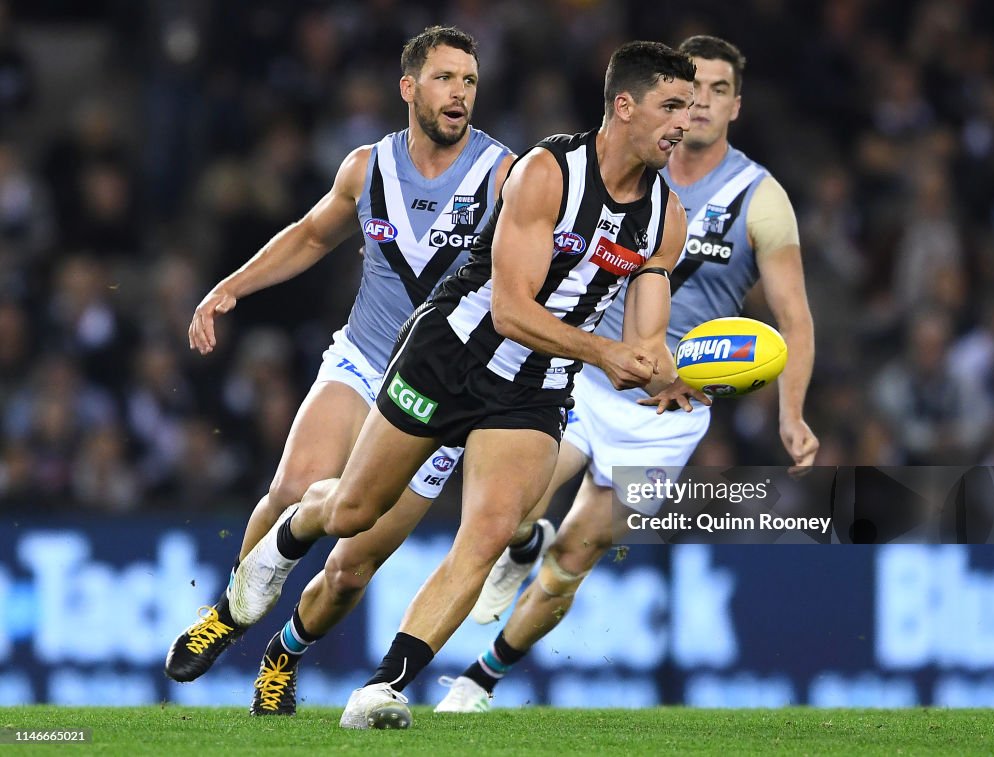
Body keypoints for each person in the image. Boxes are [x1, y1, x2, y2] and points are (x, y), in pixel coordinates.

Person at [226, 40, 704, 729]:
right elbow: (511, 310)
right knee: (355, 511)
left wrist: (668, 373)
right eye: (671, 107)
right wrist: (606, 352)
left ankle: (383, 687)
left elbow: (649, 332)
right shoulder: (546, 173)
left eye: (689, 110)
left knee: (488, 534)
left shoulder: (667, 217)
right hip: (448, 354)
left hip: (535, 385)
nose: (682, 125)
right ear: (624, 106)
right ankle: (289, 535)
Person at [435, 34, 819, 713]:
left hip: (672, 415)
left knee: (574, 560)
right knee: (512, 506)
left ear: (736, 106)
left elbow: (794, 319)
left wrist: (791, 413)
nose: (699, 103)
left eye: (718, 90)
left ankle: (480, 680)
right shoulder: (629, 173)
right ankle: (521, 540)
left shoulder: (760, 200)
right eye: (689, 88)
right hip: (594, 372)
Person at [163, 26, 516, 716]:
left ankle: (282, 655)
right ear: (409, 88)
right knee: (294, 487)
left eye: (469, 81)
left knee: (352, 565)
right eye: (445, 78)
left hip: (443, 394)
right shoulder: (367, 166)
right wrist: (232, 285)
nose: (460, 93)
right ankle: (231, 613)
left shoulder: (505, 176)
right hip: (364, 357)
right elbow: (312, 234)